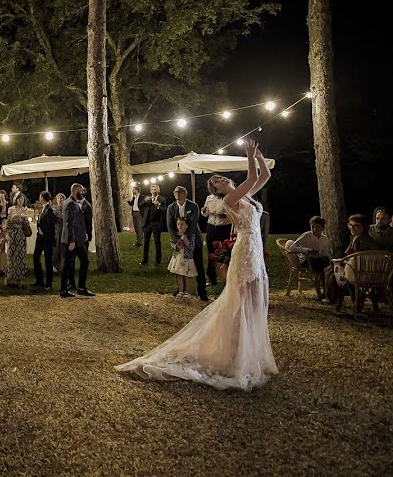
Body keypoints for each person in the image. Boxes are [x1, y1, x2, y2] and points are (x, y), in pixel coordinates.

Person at [116, 139, 278, 391]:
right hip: (245, 249)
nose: (219, 181)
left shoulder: (247, 196)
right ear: (217, 191)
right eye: (215, 183)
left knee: (255, 301)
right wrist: (248, 155)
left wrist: (258, 154)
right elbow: (249, 178)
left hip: (255, 250)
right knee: (240, 302)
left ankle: (250, 352)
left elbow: (264, 174)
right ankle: (234, 353)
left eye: (220, 179)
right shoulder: (230, 200)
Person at [324, 214, 378, 309]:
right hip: (371, 274)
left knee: (331, 270)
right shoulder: (368, 239)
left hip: (360, 273)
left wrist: (340, 261)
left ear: (364, 227)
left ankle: (336, 298)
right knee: (331, 270)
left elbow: (350, 256)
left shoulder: (359, 239)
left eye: (356, 225)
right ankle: (352, 297)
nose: (352, 228)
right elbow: (349, 254)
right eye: (350, 225)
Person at [165, 186, 208, 302]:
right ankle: (180, 289)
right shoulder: (171, 208)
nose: (178, 194)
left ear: (185, 194)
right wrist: (177, 240)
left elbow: (193, 224)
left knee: (198, 265)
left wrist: (185, 238)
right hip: (178, 242)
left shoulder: (193, 206)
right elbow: (170, 226)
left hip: (193, 239)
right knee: (179, 267)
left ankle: (202, 291)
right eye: (176, 193)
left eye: (180, 192)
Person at [60, 184, 94, 297]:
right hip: (74, 240)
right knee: (81, 262)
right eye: (80, 191)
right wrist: (72, 241)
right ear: (75, 191)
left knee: (68, 264)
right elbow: (70, 224)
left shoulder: (69, 202)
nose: (82, 193)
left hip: (75, 239)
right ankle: (77, 288)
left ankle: (68, 289)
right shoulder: (71, 203)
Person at [288, 216, 333, 300]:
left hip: (318, 260)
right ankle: (325, 292)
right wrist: (307, 250)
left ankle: (328, 291)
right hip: (306, 260)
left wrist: (321, 255)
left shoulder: (324, 239)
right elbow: (292, 248)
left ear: (322, 228)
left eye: (318, 227)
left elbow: (325, 253)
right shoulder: (306, 235)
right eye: (313, 227)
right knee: (321, 267)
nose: (314, 229)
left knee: (328, 265)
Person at [201, 185, 233, 286]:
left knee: (227, 252)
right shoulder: (209, 198)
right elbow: (205, 214)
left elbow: (234, 212)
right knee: (211, 253)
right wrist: (204, 211)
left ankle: (227, 278)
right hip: (211, 226)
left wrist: (225, 215)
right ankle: (212, 278)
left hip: (225, 227)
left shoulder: (229, 197)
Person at [5, 194, 31, 288]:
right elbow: (7, 223)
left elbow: (27, 223)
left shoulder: (25, 209)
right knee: (12, 255)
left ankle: (20, 279)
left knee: (21, 255)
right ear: (16, 200)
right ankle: (9, 277)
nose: (21, 201)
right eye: (19, 199)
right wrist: (13, 218)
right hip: (13, 234)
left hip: (21, 235)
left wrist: (25, 220)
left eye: (22, 199)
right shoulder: (11, 209)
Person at [168, 217, 198, 299]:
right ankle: (180, 291)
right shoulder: (176, 235)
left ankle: (187, 291)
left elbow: (192, 247)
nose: (180, 226)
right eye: (178, 224)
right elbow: (172, 243)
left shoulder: (191, 235)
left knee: (187, 275)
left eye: (182, 224)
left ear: (187, 226)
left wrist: (186, 241)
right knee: (179, 275)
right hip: (178, 258)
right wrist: (176, 246)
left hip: (187, 258)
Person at [33, 191, 57, 290]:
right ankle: (39, 280)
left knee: (48, 260)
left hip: (46, 239)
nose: (39, 198)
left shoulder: (49, 210)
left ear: (43, 198)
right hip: (40, 238)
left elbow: (51, 226)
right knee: (36, 257)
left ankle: (49, 283)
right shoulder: (43, 209)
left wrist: (43, 231)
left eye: (40, 196)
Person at [140, 184, 166, 266]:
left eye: (155, 189)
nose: (154, 191)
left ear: (158, 190)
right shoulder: (147, 198)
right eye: (152, 189)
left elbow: (164, 211)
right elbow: (140, 205)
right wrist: (144, 201)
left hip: (156, 223)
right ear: (150, 191)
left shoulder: (162, 199)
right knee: (146, 242)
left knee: (157, 242)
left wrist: (158, 205)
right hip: (147, 223)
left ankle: (158, 261)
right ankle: (145, 260)